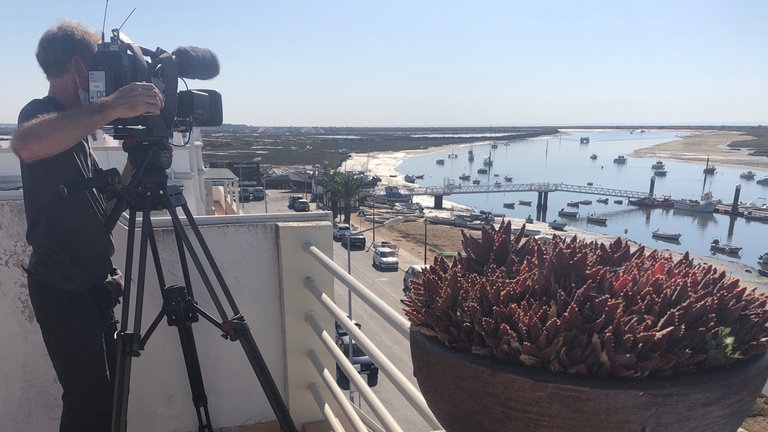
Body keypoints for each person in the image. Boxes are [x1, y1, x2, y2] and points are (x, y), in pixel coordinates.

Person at [11, 20, 163, 432]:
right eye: (100, 70)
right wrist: (111, 106)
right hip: (61, 287)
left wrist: (139, 159)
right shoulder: (42, 115)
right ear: (79, 67)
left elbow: (104, 205)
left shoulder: (74, 134)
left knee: (111, 395)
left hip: (92, 283)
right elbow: (25, 144)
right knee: (88, 399)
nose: (104, 83)